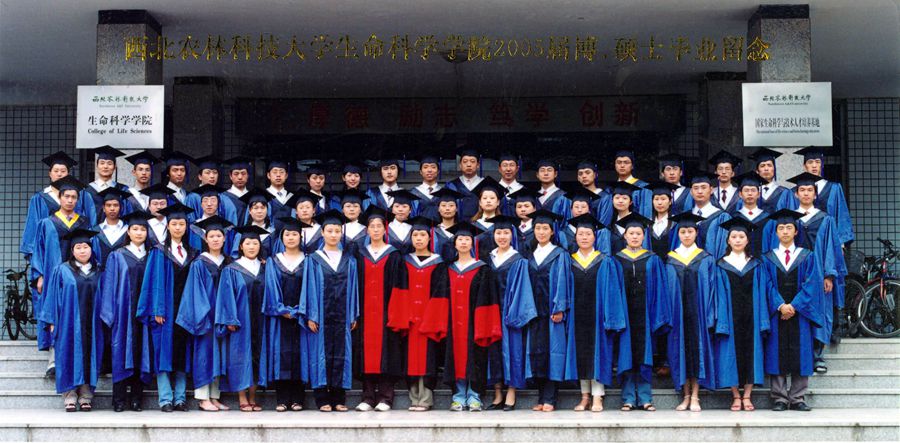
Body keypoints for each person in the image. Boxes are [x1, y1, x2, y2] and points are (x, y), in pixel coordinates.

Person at [420, 221, 502, 412]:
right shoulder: (446, 269)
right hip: (452, 324)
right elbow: (439, 298)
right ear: (455, 243)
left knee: (476, 357)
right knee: (454, 357)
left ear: (472, 243)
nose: (464, 242)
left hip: (474, 324)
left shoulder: (483, 269)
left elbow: (488, 299)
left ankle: (474, 396)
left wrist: (484, 325)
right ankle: (458, 396)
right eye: (460, 239)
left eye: (467, 239)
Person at [136, 202, 199, 413]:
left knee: (182, 353)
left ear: (186, 227)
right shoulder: (158, 252)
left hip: (186, 311)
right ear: (168, 226)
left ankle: (180, 398)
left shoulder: (193, 253)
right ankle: (165, 399)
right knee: (163, 353)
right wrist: (157, 309)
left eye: (182, 224)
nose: (178, 227)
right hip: (165, 311)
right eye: (174, 224)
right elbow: (153, 282)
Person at [761, 209, 824, 412]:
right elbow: (766, 285)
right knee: (775, 351)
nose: (785, 231)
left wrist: (794, 306)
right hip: (777, 313)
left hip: (800, 313)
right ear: (776, 232)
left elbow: (812, 283)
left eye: (789, 227)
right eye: (781, 228)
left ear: (796, 231)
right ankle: (779, 397)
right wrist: (780, 305)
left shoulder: (807, 256)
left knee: (802, 352)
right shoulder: (767, 258)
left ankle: (797, 397)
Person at [785, 172, 847, 375]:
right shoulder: (789, 220)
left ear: (815, 194)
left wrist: (829, 275)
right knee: (797, 312)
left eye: (809, 190)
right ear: (796, 194)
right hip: (794, 274)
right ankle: (798, 357)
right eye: (802, 190)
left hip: (819, 275)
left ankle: (818, 356)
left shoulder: (825, 220)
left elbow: (831, 248)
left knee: (819, 312)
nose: (805, 193)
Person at [567, 213, 629, 413]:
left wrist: (611, 317)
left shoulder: (605, 261)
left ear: (595, 237)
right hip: (577, 315)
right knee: (580, 355)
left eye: (588, 234)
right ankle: (584, 396)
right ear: (575, 237)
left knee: (598, 354)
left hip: (597, 316)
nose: (584, 237)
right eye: (580, 234)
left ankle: (597, 396)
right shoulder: (569, 261)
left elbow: (612, 291)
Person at [299, 210, 359, 412]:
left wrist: (353, 313)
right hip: (321, 316)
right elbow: (309, 288)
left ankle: (339, 398)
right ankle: (322, 399)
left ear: (341, 233)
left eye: (337, 231)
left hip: (343, 316)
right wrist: (311, 315)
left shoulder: (349, 260)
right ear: (322, 233)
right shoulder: (313, 259)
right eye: (330, 231)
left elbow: (353, 289)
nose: (333, 234)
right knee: (321, 354)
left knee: (342, 353)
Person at [31, 176, 93, 375]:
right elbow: (39, 251)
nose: (70, 200)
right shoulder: (46, 223)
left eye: (74, 197)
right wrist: (39, 275)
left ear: (78, 200)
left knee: (77, 315)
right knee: (54, 313)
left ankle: (78, 360)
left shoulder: (84, 222)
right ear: (59, 197)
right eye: (66, 196)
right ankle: (53, 359)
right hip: (52, 276)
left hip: (78, 277)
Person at [713, 218, 775, 412]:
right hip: (730, 316)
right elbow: (718, 296)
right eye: (734, 236)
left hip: (752, 316)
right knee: (731, 354)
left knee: (751, 353)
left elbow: (763, 293)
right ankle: (735, 396)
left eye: (741, 236)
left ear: (748, 240)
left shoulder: (756, 265)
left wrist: (763, 319)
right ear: (728, 240)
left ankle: (747, 395)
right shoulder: (720, 265)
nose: (738, 240)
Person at [611, 213, 671, 412]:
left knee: (645, 356)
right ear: (625, 236)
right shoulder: (616, 260)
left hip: (645, 314)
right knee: (626, 355)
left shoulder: (653, 259)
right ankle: (628, 398)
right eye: (631, 233)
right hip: (625, 315)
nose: (635, 236)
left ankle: (645, 398)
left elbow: (660, 290)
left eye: (638, 233)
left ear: (644, 236)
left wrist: (658, 316)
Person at [39, 229, 102, 412]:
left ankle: (86, 395)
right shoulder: (62, 270)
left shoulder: (99, 270)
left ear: (91, 249)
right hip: (68, 322)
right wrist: (52, 321)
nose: (82, 251)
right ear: (72, 250)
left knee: (90, 355)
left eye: (85, 247)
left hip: (93, 323)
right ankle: (70, 395)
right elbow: (52, 297)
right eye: (78, 247)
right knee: (68, 354)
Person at [175, 216, 234, 412]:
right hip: (206, 317)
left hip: (223, 317)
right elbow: (195, 292)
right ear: (206, 239)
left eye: (219, 236)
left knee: (219, 355)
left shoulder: (229, 262)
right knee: (204, 354)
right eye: (212, 236)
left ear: (224, 239)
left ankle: (215, 396)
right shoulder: (199, 263)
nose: (215, 239)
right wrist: (204, 315)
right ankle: (202, 397)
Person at [99, 210, 155, 412]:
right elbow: (109, 285)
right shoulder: (117, 256)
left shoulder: (153, 255)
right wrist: (110, 314)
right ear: (128, 232)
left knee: (142, 353)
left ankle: (137, 399)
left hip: (146, 314)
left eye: (142, 229)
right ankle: (119, 399)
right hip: (123, 314)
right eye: (135, 229)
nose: (139, 233)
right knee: (121, 352)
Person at [665, 212, 722, 412]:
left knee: (697, 353)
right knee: (680, 353)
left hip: (699, 314)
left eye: (690, 231)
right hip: (678, 316)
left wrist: (711, 316)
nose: (687, 235)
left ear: (696, 233)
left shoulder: (706, 258)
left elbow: (712, 289)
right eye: (683, 231)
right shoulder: (670, 259)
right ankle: (686, 395)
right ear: (678, 234)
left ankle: (696, 395)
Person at [353, 207, 408, 412]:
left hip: (386, 313)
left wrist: (396, 314)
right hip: (365, 313)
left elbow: (400, 288)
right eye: (372, 226)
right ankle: (367, 397)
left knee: (387, 352)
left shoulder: (394, 255)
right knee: (366, 354)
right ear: (366, 230)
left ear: (385, 229)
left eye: (379, 226)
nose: (376, 229)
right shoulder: (359, 254)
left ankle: (385, 397)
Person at [484, 215, 536, 411]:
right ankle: (498, 393)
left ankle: (512, 391)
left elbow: (522, 289)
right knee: (493, 351)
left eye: (506, 233)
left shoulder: (518, 260)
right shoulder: (488, 258)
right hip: (490, 311)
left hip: (510, 312)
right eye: (498, 232)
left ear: (512, 235)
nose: (502, 236)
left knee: (512, 350)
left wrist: (514, 313)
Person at [215, 225, 269, 412]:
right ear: (241, 246)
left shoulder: (265, 267)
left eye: (255, 243)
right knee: (241, 356)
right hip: (241, 321)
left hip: (261, 319)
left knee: (257, 356)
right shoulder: (231, 269)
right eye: (248, 243)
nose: (252, 247)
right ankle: (242, 397)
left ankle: (253, 397)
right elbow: (225, 295)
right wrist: (230, 319)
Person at [524, 209, 573, 413]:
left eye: (545, 228)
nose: (541, 232)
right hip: (534, 312)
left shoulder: (560, 254)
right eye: (538, 228)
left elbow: (562, 282)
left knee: (554, 354)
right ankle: (541, 396)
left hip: (552, 312)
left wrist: (559, 308)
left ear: (552, 231)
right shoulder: (529, 255)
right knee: (538, 353)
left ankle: (551, 398)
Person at [395, 216, 445, 411]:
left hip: (429, 319)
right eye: (415, 235)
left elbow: (440, 294)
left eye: (422, 235)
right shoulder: (405, 261)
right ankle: (414, 396)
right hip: (409, 318)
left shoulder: (438, 263)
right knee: (410, 357)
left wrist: (432, 317)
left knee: (428, 357)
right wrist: (404, 315)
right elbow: (400, 291)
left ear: (429, 237)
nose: (418, 238)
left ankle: (425, 398)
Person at [263, 217, 311, 412]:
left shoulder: (309, 260)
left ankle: (298, 399)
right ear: (281, 238)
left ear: (300, 237)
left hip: (301, 316)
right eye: (287, 234)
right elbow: (270, 288)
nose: (291, 237)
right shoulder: (273, 261)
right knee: (280, 355)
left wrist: (300, 310)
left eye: (294, 234)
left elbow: (310, 288)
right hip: (280, 317)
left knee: (300, 355)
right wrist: (282, 310)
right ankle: (282, 399)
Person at [21, 152, 95, 264]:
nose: (59, 174)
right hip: (49, 249)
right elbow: (33, 226)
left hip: (76, 249)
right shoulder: (39, 198)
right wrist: (33, 253)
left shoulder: (81, 195)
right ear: (50, 173)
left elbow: (91, 221)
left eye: (63, 171)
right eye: (56, 171)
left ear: (68, 173)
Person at [792, 146, 854, 246]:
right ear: (804, 166)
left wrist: (841, 243)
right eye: (810, 162)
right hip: (802, 242)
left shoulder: (834, 189)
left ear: (822, 165)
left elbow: (841, 216)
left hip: (828, 241)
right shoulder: (795, 192)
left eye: (817, 162)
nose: (814, 166)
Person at [675, 173, 732, 258]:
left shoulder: (722, 217)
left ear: (711, 190)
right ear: (691, 192)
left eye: (703, 187)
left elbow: (724, 249)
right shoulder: (685, 217)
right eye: (696, 188)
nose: (700, 191)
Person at [732, 172, 777, 258]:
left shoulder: (768, 218)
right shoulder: (734, 218)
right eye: (746, 190)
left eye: (753, 190)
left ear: (759, 194)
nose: (750, 194)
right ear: (740, 194)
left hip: (763, 262)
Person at [84, 146, 129, 224]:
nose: (105, 166)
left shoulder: (122, 189)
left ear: (115, 167)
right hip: (92, 230)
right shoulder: (86, 190)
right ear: (97, 166)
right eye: (102, 163)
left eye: (109, 163)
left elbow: (126, 214)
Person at [558, 189, 610, 255]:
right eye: (576, 207)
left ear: (589, 210)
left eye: (583, 207)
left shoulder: (600, 231)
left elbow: (605, 255)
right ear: (571, 209)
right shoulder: (562, 232)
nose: (579, 210)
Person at [91, 188, 130, 270]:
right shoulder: (95, 231)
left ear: (121, 207)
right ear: (103, 208)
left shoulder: (128, 231)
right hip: (101, 274)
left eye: (116, 205)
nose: (112, 208)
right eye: (108, 205)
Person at [232, 188, 275, 261]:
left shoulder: (273, 232)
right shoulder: (241, 233)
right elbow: (235, 256)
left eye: (262, 208)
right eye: (255, 208)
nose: (259, 211)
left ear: (267, 210)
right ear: (249, 210)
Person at [471, 176, 508, 261]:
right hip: (478, 266)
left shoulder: (506, 225)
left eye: (492, 198)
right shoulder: (473, 226)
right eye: (484, 198)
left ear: (498, 202)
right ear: (480, 203)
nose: (488, 201)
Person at [747, 148, 791, 213]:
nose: (766, 169)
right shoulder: (749, 193)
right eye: (762, 166)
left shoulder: (785, 193)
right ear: (757, 171)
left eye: (769, 165)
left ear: (774, 169)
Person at [445, 148, 483, 221]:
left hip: (480, 225)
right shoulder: (451, 185)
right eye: (465, 162)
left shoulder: (485, 184)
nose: (469, 165)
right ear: (460, 165)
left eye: (472, 161)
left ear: (478, 165)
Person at [611, 149, 652, 218]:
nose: (622, 165)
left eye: (626, 162)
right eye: (619, 162)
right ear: (615, 165)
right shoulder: (610, 188)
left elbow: (646, 214)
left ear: (632, 166)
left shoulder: (643, 187)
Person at [646, 181, 678, 259]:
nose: (659, 203)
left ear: (670, 201)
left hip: (671, 263)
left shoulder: (676, 223)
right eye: (656, 199)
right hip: (652, 264)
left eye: (663, 199)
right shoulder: (648, 223)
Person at [575, 160, 612, 225]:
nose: (584, 176)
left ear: (595, 175)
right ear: (578, 178)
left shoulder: (605, 197)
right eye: (580, 174)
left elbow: (604, 223)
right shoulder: (575, 197)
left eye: (587, 172)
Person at [430, 188, 463, 262]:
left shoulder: (462, 230)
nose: (447, 208)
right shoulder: (432, 231)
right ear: (438, 209)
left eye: (451, 205)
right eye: (443, 205)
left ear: (457, 209)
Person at [220, 156, 254, 224]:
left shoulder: (253, 197)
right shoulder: (223, 197)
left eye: (243, 173)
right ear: (230, 176)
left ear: (248, 175)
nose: (240, 177)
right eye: (236, 174)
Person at [140, 184, 176, 249]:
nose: (159, 207)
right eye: (155, 204)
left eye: (162, 204)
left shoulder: (173, 224)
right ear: (149, 206)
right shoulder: (143, 224)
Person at [409, 154, 443, 220]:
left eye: (433, 167)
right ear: (420, 172)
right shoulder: (413, 193)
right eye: (425, 167)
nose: (429, 170)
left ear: (438, 171)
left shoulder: (444, 192)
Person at [386, 189, 420, 255]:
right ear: (392, 209)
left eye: (404, 206)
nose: (400, 209)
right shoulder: (385, 228)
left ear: (410, 210)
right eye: (397, 206)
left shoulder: (415, 229)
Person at [265, 159, 294, 231]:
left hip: (288, 234)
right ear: (268, 175)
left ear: (286, 175)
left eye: (281, 172)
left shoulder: (292, 197)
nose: (278, 175)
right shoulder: (263, 195)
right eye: (275, 172)